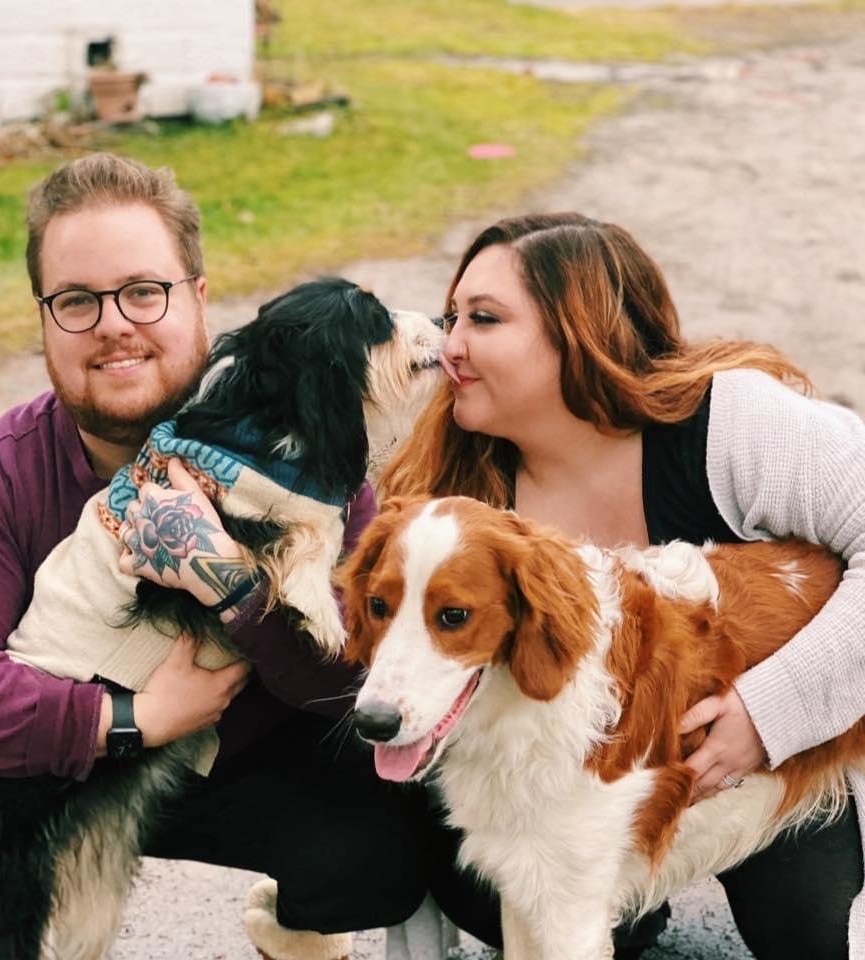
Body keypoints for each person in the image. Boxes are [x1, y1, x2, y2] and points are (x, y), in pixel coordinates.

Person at [0, 152, 437, 960]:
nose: (115, 323)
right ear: (43, 319)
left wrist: (230, 588)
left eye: (143, 291)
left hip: (245, 762)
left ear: (196, 295)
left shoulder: (300, 460)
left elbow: (362, 679)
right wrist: (129, 721)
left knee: (377, 860)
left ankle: (296, 926)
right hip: (68, 755)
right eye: (78, 300)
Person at [370, 212, 865, 959]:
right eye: (451, 318)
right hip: (571, 783)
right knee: (506, 890)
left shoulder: (729, 422)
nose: (450, 345)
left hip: (786, 750)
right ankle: (631, 906)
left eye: (484, 318)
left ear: (581, 331)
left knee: (814, 930)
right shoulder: (450, 490)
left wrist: (770, 715)